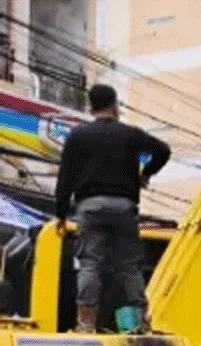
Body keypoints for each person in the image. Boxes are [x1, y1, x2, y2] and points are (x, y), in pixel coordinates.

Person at [54, 84, 170, 333]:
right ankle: (141, 323)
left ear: (91, 108)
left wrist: (61, 214)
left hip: (89, 207)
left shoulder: (77, 136)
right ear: (115, 106)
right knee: (129, 266)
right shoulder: (131, 134)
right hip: (124, 206)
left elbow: (65, 178)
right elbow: (163, 151)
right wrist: (145, 174)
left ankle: (85, 324)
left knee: (90, 264)